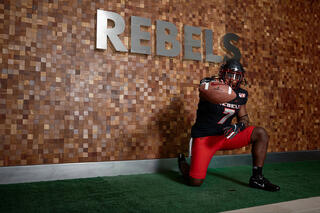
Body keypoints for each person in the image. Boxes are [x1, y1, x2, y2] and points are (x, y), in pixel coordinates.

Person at [178, 59, 280, 191]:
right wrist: (210, 84)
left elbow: (244, 118)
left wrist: (238, 127)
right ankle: (183, 164)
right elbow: (204, 87)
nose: (233, 79)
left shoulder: (241, 94)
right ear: (222, 74)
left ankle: (257, 178)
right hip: (205, 138)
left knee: (261, 133)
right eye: (230, 74)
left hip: (225, 135)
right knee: (195, 182)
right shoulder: (211, 87)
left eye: (237, 76)